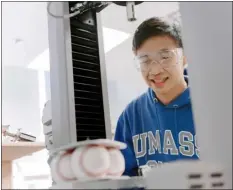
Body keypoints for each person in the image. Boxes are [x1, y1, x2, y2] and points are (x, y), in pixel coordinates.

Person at [114, 17, 199, 177]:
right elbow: (123, 179)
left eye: (165, 57)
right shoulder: (131, 116)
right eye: (145, 61)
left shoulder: (215, 107)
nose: (155, 71)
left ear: (185, 57)